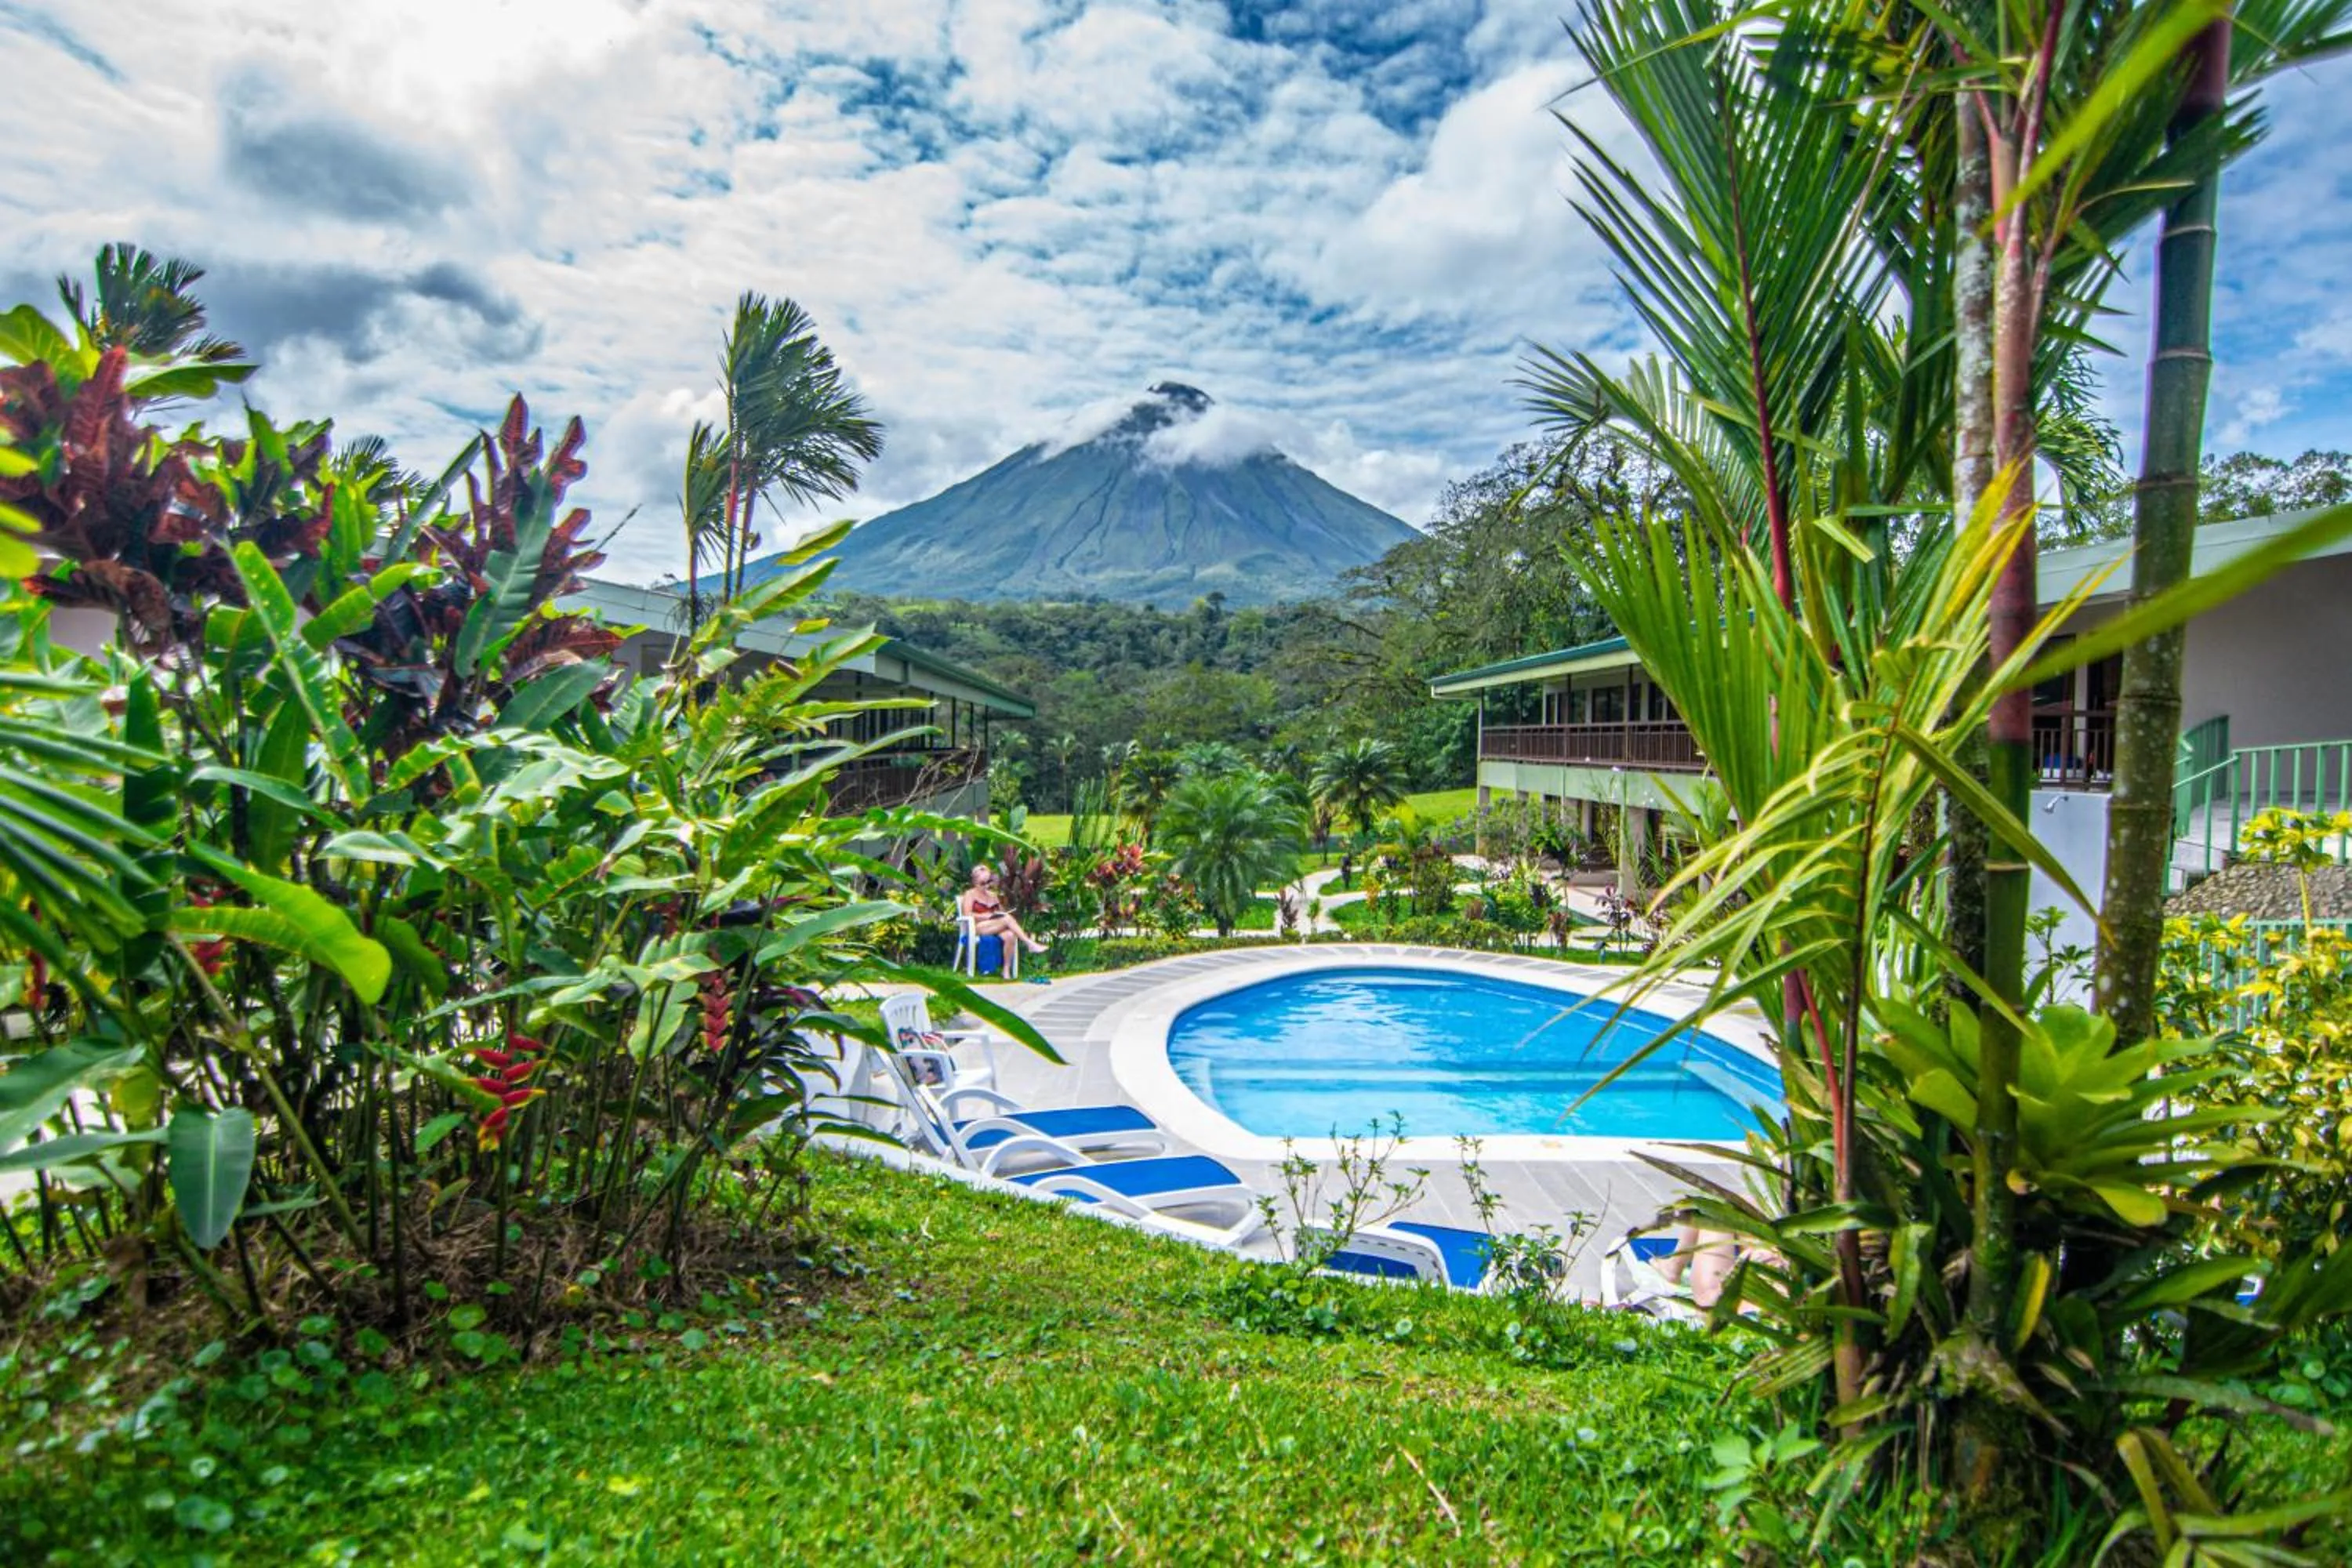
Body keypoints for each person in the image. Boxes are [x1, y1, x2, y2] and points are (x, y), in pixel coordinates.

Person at [959, 863, 1047, 978]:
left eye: (989, 882)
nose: (986, 886)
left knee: (1010, 935)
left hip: (995, 926)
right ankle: (1029, 943)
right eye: (982, 883)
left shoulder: (993, 895)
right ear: (975, 882)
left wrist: (1000, 914)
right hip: (977, 927)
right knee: (1007, 920)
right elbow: (967, 914)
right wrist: (987, 916)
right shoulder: (970, 894)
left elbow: (1001, 912)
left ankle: (1006, 970)